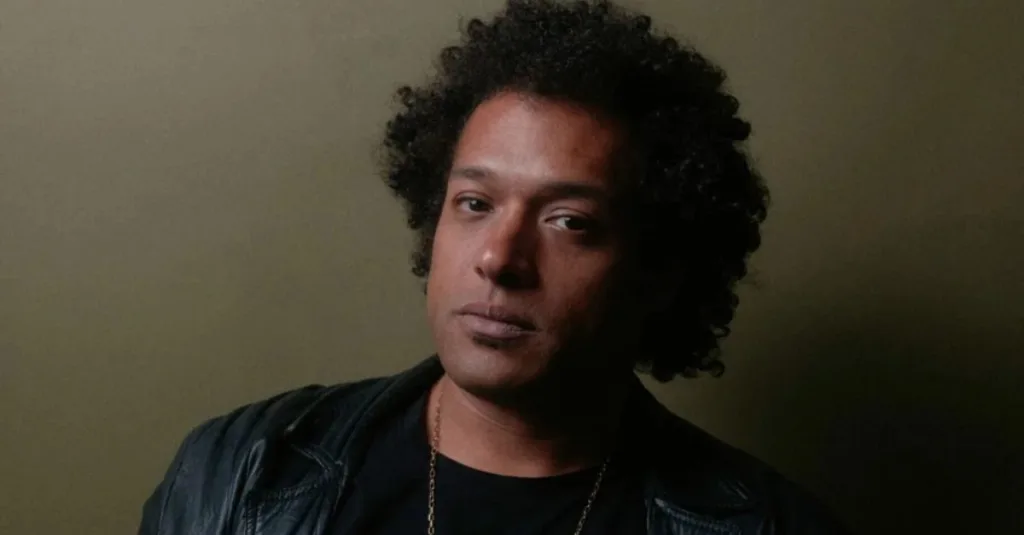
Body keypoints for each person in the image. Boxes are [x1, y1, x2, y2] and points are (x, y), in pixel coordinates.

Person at [138, 1, 849, 533]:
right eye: (475, 203)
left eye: (569, 221)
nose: (499, 258)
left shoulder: (770, 527)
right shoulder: (241, 472)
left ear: (657, 268)